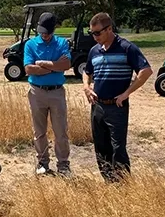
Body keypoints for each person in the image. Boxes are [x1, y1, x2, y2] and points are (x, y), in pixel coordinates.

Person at [82, 13, 153, 183]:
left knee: (118, 148)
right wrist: (86, 87)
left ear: (109, 29)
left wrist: (127, 93)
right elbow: (87, 71)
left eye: (97, 33)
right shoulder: (94, 51)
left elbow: (146, 71)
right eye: (91, 33)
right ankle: (109, 182)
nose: (94, 37)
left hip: (117, 106)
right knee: (100, 146)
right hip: (97, 106)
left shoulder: (126, 48)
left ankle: (123, 184)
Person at [23, 12, 72, 177]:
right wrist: (54, 66)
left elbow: (66, 64)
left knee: (61, 131)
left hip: (57, 92)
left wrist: (43, 64)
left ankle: (63, 164)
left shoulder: (62, 43)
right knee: (39, 131)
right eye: (41, 32)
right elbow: (29, 69)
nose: (44, 35)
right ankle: (43, 162)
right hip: (36, 92)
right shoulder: (30, 44)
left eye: (47, 32)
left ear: (53, 30)